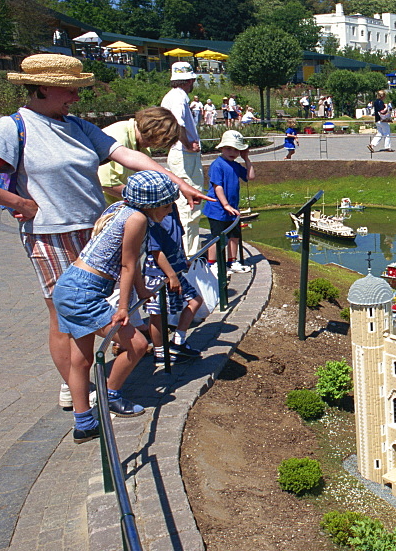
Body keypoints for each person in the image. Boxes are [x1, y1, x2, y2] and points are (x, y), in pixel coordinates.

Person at [0, 54, 207, 412]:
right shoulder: (13, 128)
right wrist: (17, 201)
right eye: (70, 90)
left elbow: (126, 156)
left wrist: (177, 182)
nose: (76, 97)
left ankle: (91, 389)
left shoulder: (76, 126)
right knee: (65, 315)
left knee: (92, 310)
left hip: (95, 231)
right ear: (44, 88)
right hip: (51, 234)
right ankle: (77, 389)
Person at [52, 170, 181, 441]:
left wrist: (143, 290)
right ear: (153, 204)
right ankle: (110, 394)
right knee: (136, 345)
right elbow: (127, 264)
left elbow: (129, 261)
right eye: (168, 203)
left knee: (81, 360)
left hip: (68, 286)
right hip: (85, 292)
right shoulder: (137, 219)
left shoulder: (121, 208)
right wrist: (123, 307)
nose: (170, 208)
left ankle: (84, 423)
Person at [143, 202, 204, 367]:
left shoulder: (172, 210)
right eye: (166, 207)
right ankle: (160, 352)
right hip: (158, 274)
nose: (169, 209)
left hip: (175, 269)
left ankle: (178, 340)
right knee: (158, 314)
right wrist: (171, 275)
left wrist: (183, 257)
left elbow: (179, 234)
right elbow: (156, 251)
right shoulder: (153, 221)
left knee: (195, 300)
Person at [161, 61, 206, 256]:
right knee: (191, 202)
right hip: (184, 154)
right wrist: (188, 142)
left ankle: (185, 249)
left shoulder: (171, 96)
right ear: (189, 80)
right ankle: (190, 254)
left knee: (184, 201)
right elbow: (177, 123)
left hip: (179, 153)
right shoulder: (179, 97)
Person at [99, 107, 183, 204]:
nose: (153, 145)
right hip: (101, 207)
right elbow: (106, 184)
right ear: (152, 131)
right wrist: (144, 199)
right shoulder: (118, 137)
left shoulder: (142, 145)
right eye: (154, 141)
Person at [203, 130, 255, 274]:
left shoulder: (235, 165)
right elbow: (217, 186)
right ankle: (212, 263)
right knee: (216, 237)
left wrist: (246, 159)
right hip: (217, 208)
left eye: (236, 149)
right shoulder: (217, 165)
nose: (232, 152)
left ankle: (232, 261)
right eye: (228, 149)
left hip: (232, 209)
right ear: (221, 148)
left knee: (234, 236)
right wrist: (225, 204)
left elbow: (250, 176)